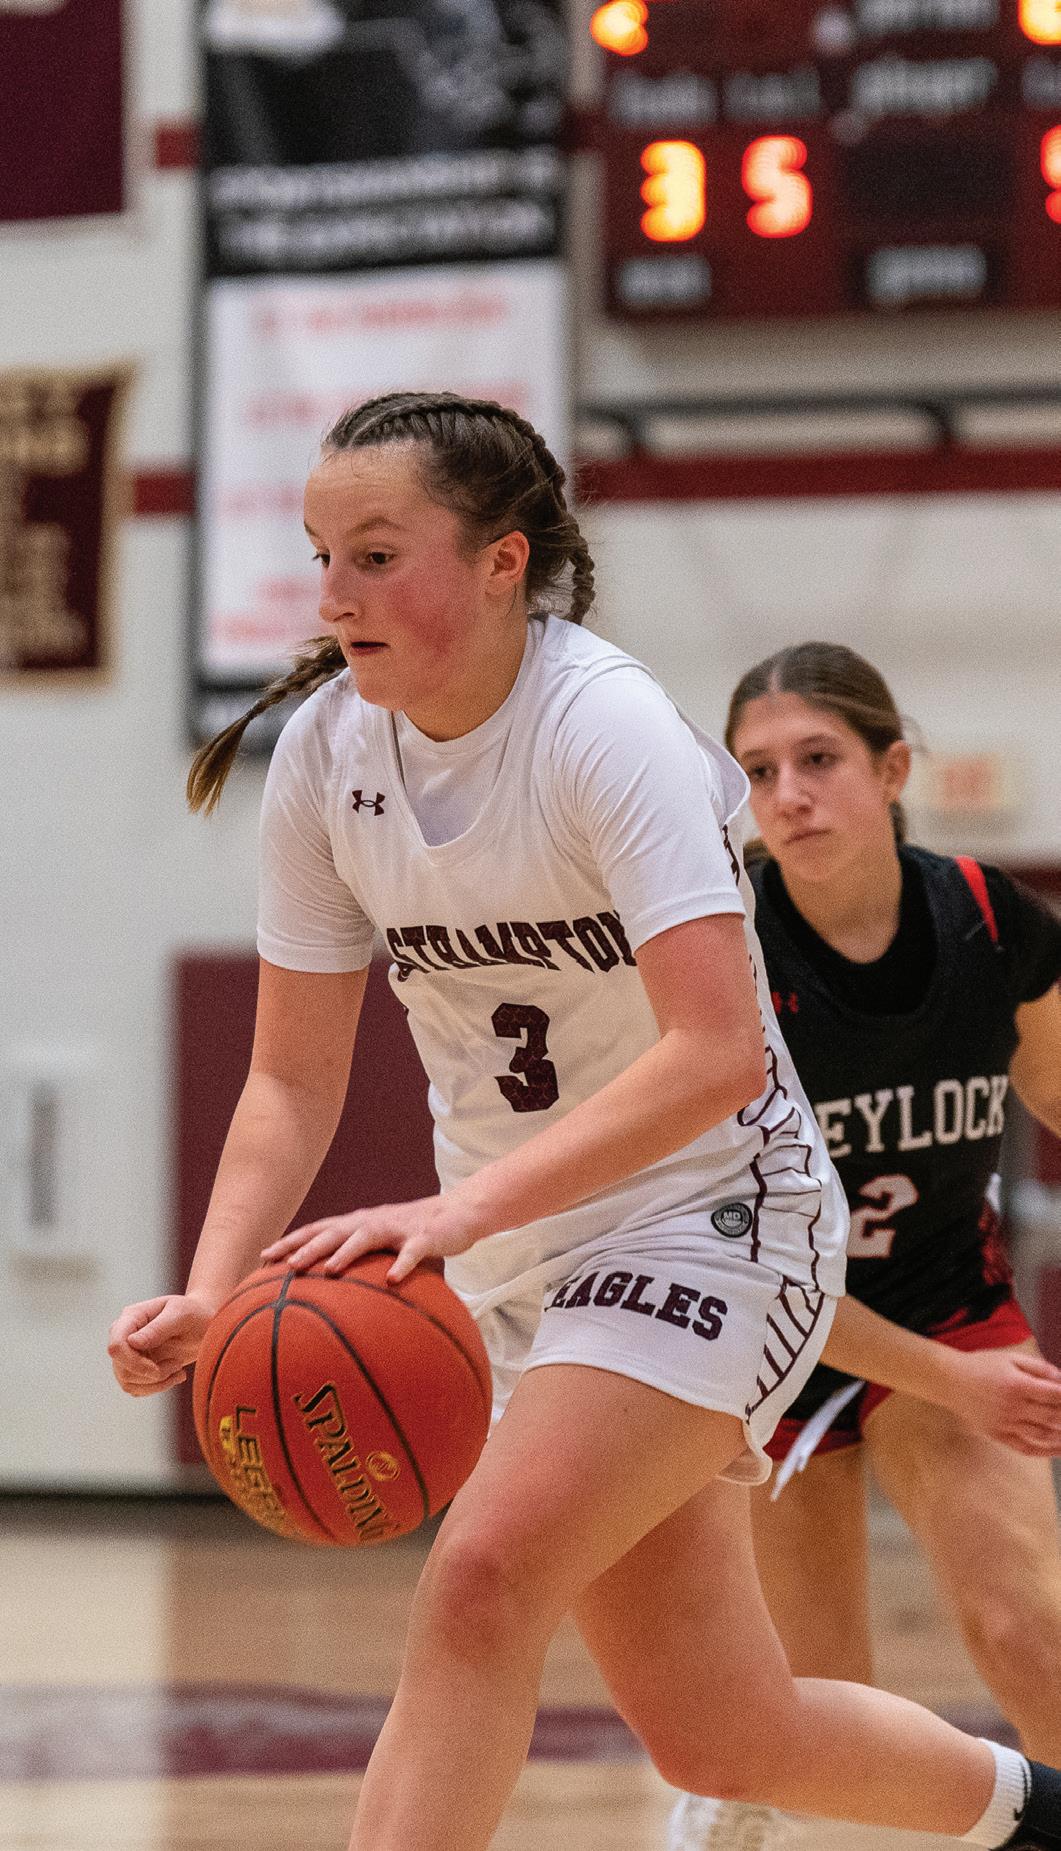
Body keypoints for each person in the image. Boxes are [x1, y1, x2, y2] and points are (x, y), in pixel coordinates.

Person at [108, 394, 1061, 1851]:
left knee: (480, 1578)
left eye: (377, 555)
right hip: (526, 1259)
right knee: (724, 1728)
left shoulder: (604, 727)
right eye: (319, 556)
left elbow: (716, 1052)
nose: (333, 595)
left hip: (715, 1214)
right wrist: (215, 1284)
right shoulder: (324, 759)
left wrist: (456, 1212)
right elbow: (289, 1081)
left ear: (502, 562)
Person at [670, 641, 1061, 1851]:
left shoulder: (986, 918)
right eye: (757, 771)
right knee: (813, 1711)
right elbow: (758, 1263)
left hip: (943, 1298)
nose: (786, 794)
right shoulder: (722, 952)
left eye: (817, 759)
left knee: (1028, 1633)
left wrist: (951, 1374)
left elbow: (1055, 1087)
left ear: (891, 770)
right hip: (771, 1340)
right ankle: (731, 1800)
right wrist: (953, 1380)